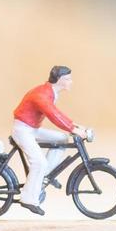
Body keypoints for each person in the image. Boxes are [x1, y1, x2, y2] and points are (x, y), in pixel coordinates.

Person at [11, 65, 83, 216]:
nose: (71, 82)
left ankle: (44, 176)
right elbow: (52, 114)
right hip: (23, 130)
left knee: (63, 139)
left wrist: (73, 125)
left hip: (31, 129)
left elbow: (56, 113)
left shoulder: (51, 92)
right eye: (68, 79)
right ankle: (28, 199)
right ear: (60, 80)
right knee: (39, 163)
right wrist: (72, 129)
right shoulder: (42, 94)